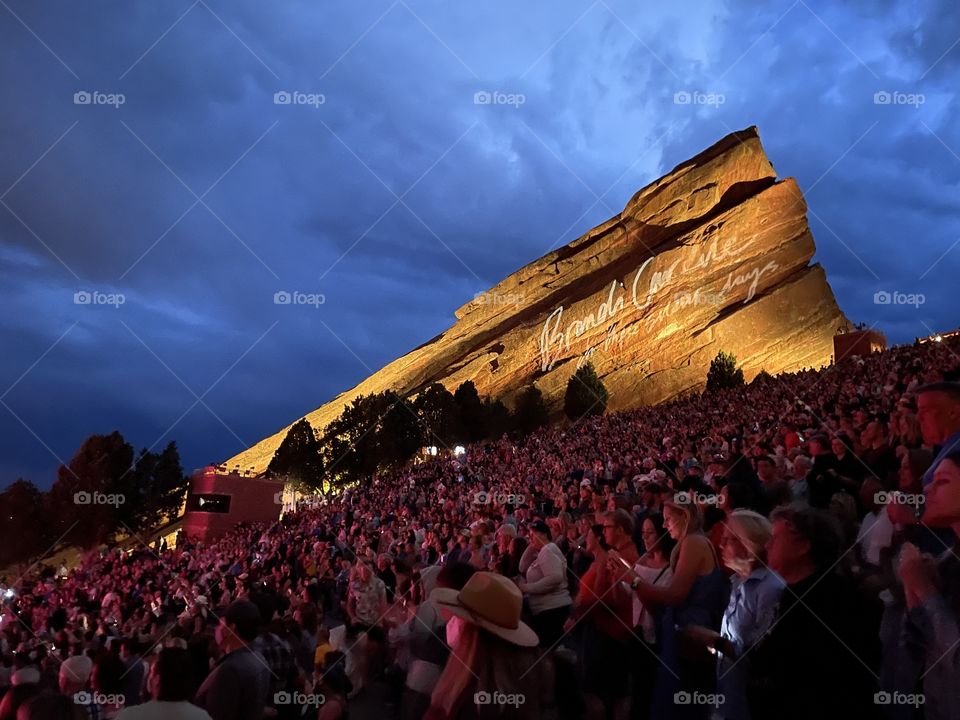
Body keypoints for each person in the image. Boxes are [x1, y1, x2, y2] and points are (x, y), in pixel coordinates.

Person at [750, 504, 880, 720]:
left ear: (803, 546)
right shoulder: (793, 592)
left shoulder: (833, 600)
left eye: (775, 537)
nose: (767, 544)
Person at [612, 497, 729, 720]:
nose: (665, 525)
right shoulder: (690, 543)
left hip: (691, 635)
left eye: (668, 519)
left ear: (684, 517)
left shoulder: (693, 542)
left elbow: (675, 595)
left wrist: (633, 579)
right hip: (682, 635)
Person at [683, 510, 785, 720]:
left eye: (728, 539)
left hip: (752, 705)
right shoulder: (738, 582)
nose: (720, 544)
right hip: (729, 697)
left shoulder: (769, 589)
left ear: (750, 544)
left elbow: (761, 656)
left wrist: (713, 640)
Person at [425, 572, 550, 719]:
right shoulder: (534, 677)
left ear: (471, 631)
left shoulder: (469, 697)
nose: (454, 622)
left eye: (460, 617)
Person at [898, 449, 960, 720]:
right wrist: (913, 592)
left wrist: (925, 592)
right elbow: (916, 650)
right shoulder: (944, 563)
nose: (927, 488)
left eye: (943, 481)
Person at [193, 600, 269, 720]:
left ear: (231, 629)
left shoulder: (230, 670)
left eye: (220, 624)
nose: (217, 629)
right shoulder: (259, 657)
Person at [115, 648, 212, 720]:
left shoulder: (129, 716)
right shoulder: (202, 717)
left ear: (157, 679)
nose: (149, 677)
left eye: (151, 672)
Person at [518, 520, 571, 648]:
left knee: (548, 650)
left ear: (544, 534)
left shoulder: (548, 549)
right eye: (529, 535)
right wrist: (531, 545)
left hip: (552, 610)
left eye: (533, 534)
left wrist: (527, 588)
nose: (530, 537)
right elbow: (522, 567)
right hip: (546, 610)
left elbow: (555, 578)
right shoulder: (543, 550)